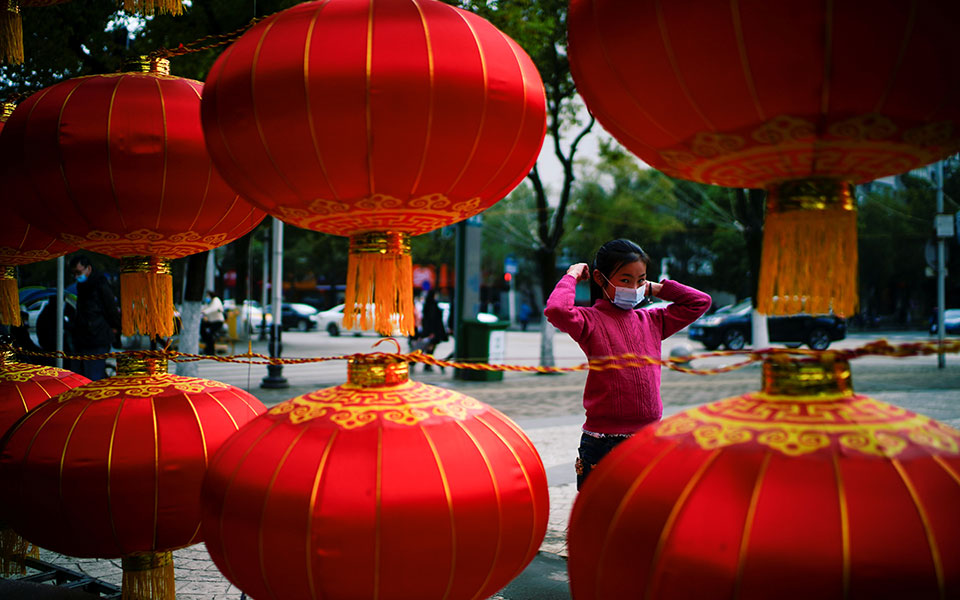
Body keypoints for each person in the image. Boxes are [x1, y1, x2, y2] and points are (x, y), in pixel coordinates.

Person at [544, 239, 710, 490]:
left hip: (648, 439)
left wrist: (653, 288)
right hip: (602, 444)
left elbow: (700, 302)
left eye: (639, 280)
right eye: (625, 280)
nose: (633, 288)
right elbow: (557, 310)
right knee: (601, 510)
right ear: (600, 279)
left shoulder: (653, 320)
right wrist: (573, 274)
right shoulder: (589, 321)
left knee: (642, 510)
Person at [69, 255, 121, 381]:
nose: (76, 276)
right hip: (85, 338)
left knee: (93, 377)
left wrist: (116, 327)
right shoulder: (82, 286)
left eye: (78, 272)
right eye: (74, 273)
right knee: (84, 376)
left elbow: (111, 308)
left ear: (88, 269)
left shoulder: (100, 284)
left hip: (97, 336)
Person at [415, 289, 449, 372]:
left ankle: (425, 364)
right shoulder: (432, 306)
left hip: (432, 331)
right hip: (433, 331)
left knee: (429, 348)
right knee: (429, 348)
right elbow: (432, 319)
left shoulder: (428, 305)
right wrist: (431, 332)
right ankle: (424, 364)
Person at [200, 290, 225, 356]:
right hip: (211, 321)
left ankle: (211, 351)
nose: (207, 297)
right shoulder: (210, 302)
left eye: (207, 295)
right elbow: (204, 308)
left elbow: (213, 308)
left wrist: (204, 312)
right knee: (202, 328)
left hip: (217, 321)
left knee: (209, 334)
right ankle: (207, 348)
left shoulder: (216, 300)